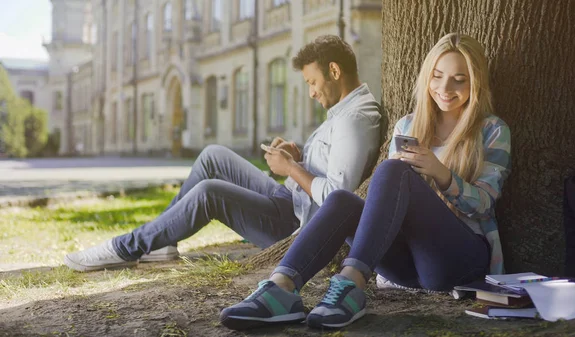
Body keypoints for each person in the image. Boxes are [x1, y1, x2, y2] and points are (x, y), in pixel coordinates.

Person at [219, 33, 512, 330]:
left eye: (459, 80)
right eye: (437, 76)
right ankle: (280, 289)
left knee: (392, 171)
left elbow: (484, 205)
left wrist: (441, 173)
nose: (445, 88)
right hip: (407, 265)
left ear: (475, 83)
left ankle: (350, 285)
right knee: (342, 200)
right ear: (427, 77)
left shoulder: (492, 131)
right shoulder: (408, 125)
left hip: (459, 259)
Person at [64, 35, 382, 272]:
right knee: (213, 154)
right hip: (290, 200)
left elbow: (338, 198)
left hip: (293, 224)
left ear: (335, 71)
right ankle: (163, 239)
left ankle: (125, 247)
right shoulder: (345, 110)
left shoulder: (355, 121)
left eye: (313, 82)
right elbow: (330, 169)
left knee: (208, 193)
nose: (311, 92)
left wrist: (290, 168)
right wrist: (298, 157)